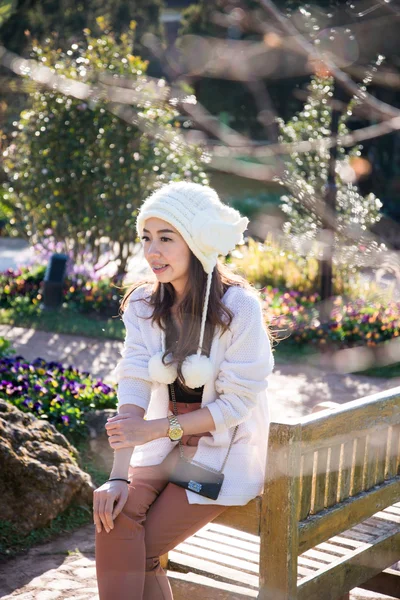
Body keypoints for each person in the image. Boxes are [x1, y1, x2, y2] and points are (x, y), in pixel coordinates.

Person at [94, 181, 275, 600]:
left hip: (218, 454)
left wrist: (157, 429)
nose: (151, 252)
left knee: (140, 548)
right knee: (114, 516)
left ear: (197, 242)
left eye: (165, 238)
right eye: (146, 238)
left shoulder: (239, 307)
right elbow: (135, 379)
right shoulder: (143, 304)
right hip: (162, 449)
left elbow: (236, 404)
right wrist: (118, 477)